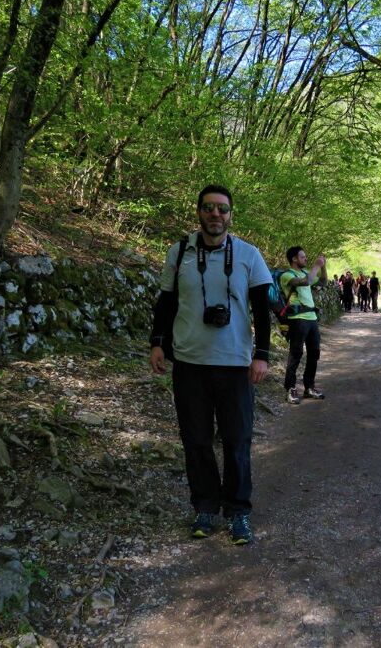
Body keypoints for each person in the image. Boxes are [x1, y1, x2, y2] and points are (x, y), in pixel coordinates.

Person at [149, 184, 273, 546]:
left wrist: (261, 355)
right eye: (208, 208)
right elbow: (166, 302)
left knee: (237, 440)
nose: (215, 215)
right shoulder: (179, 251)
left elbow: (262, 311)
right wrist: (157, 344)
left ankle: (238, 513)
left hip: (235, 362)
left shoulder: (249, 254)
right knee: (196, 440)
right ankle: (204, 507)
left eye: (222, 209)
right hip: (189, 362)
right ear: (199, 212)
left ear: (231, 215)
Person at [280, 246, 327, 404]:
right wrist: (317, 265)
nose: (306, 259)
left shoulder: (306, 273)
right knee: (296, 354)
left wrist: (323, 266)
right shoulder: (287, 275)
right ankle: (291, 389)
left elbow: (323, 281)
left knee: (314, 353)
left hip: (311, 318)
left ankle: (309, 387)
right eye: (302, 257)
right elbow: (306, 282)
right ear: (294, 259)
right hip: (297, 319)